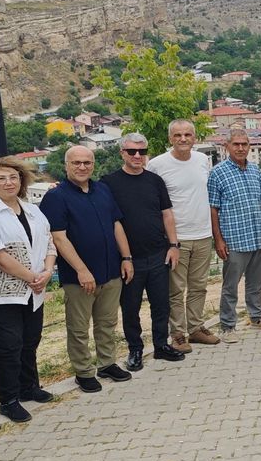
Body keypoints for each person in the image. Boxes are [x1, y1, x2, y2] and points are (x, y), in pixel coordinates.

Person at [41, 145, 135, 393]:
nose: (82, 167)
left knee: (107, 323)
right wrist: (82, 270)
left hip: (111, 271)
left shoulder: (102, 189)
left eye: (87, 162)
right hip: (79, 277)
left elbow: (116, 224)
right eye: (76, 163)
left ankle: (107, 364)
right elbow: (59, 237)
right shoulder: (56, 197)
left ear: (93, 165)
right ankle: (83, 372)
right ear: (66, 166)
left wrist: (126, 257)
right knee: (79, 328)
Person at [0, 157, 56, 424]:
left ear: (21, 180)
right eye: (1, 178)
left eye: (13, 177)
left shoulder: (32, 210)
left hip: (34, 290)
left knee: (30, 341)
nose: (8, 182)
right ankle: (8, 400)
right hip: (2, 296)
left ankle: (29, 387)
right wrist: (33, 277)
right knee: (7, 347)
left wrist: (47, 272)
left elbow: (49, 242)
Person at [103, 134, 186, 369]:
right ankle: (135, 350)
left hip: (159, 254)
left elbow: (167, 214)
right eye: (132, 151)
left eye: (142, 151)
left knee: (161, 305)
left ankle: (160, 346)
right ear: (122, 153)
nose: (137, 156)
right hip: (129, 259)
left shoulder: (155, 181)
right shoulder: (109, 183)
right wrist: (125, 257)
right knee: (131, 308)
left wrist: (174, 245)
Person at [148, 119, 217, 352]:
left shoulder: (202, 160)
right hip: (177, 239)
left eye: (188, 134)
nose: (183, 139)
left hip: (203, 234)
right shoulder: (157, 165)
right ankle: (178, 334)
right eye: (178, 135)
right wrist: (170, 240)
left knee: (199, 287)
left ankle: (196, 328)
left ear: (194, 138)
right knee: (175, 290)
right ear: (170, 138)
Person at [208, 129, 261, 338]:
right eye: (236, 144)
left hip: (257, 237)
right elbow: (213, 208)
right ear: (227, 146)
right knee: (230, 287)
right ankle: (228, 326)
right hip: (234, 239)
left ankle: (257, 317)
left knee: (256, 283)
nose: (240, 148)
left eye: (244, 144)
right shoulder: (218, 173)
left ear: (249, 146)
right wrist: (218, 240)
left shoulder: (255, 170)